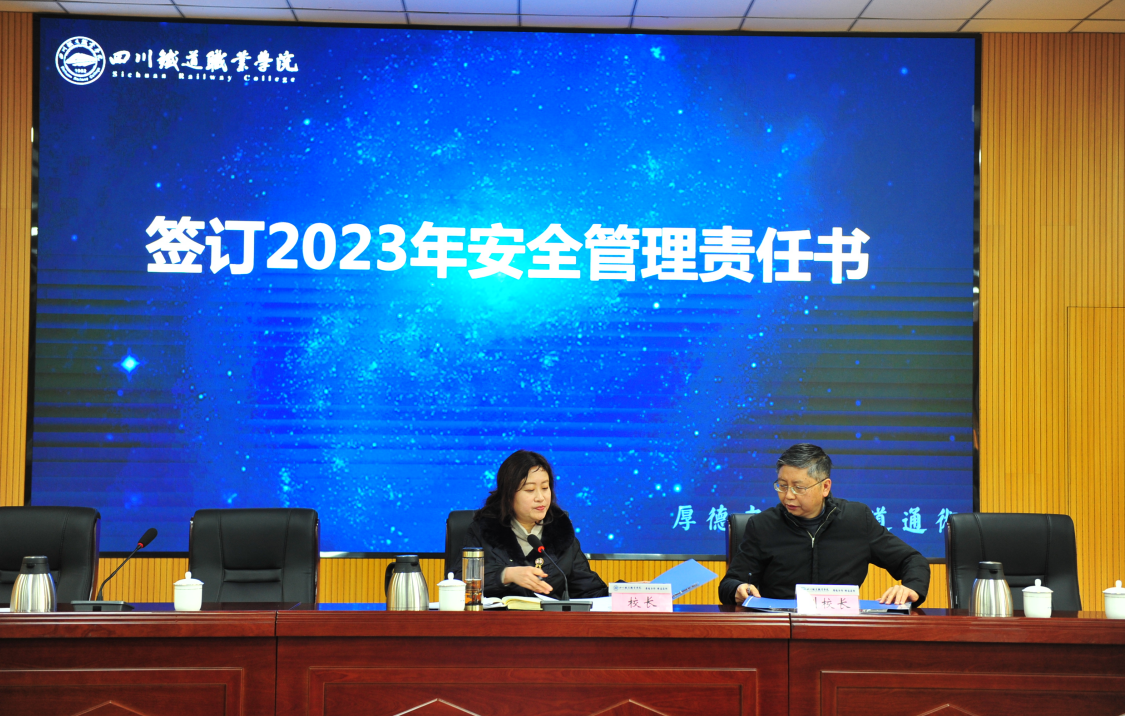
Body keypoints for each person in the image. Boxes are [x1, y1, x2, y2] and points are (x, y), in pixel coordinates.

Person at [719, 443, 930, 606]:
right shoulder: (763, 525)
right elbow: (729, 583)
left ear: (825, 487)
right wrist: (738, 589)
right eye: (782, 486)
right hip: (781, 627)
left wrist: (911, 587)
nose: (788, 496)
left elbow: (911, 559)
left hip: (841, 627)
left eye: (798, 487)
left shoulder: (856, 520)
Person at [457, 449, 608, 600]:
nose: (540, 497)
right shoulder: (482, 530)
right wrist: (505, 575)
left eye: (545, 488)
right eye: (530, 490)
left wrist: (619, 591)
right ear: (508, 495)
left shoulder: (561, 532)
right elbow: (458, 581)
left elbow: (590, 591)